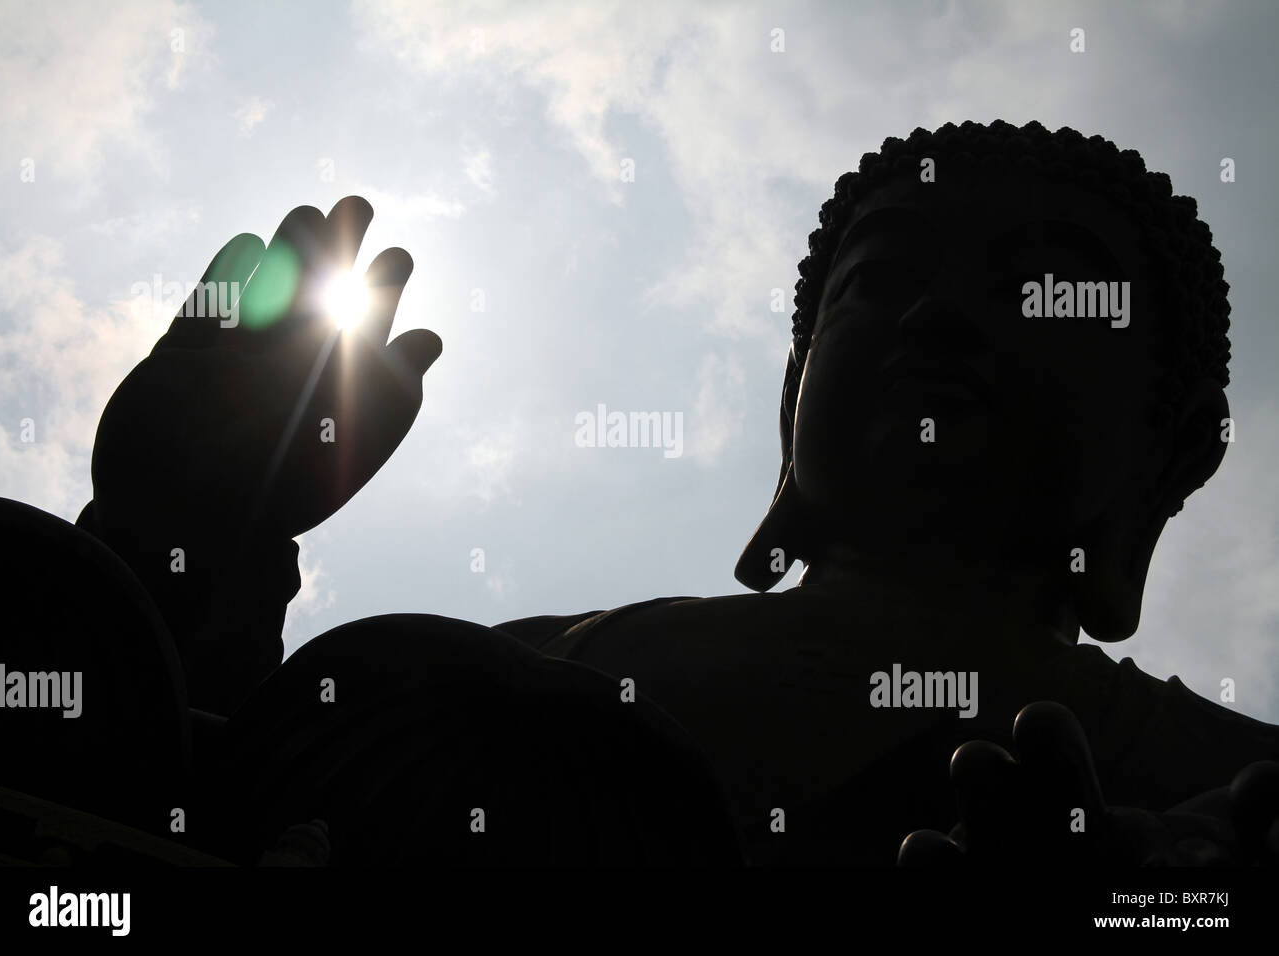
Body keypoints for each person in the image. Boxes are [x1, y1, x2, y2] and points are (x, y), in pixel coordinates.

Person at [74, 120, 1279, 865]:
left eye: (1044, 288)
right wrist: (186, 531)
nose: (939, 317)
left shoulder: (1226, 782)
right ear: (790, 395)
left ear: (1173, 448)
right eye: (880, 279)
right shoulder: (520, 676)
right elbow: (135, 826)